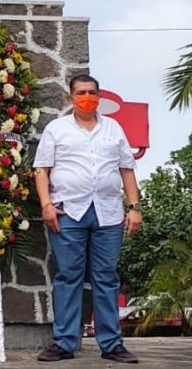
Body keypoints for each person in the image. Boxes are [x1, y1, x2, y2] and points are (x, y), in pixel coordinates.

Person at [33, 74, 142, 364]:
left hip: (108, 213)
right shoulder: (56, 129)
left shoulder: (113, 128)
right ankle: (64, 342)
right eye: (81, 92)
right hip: (68, 212)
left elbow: (126, 169)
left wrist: (134, 207)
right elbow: (41, 169)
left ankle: (112, 344)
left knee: (106, 277)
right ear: (70, 97)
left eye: (92, 92)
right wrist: (46, 204)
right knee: (68, 276)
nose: (87, 97)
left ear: (99, 96)